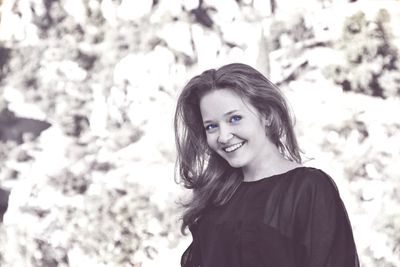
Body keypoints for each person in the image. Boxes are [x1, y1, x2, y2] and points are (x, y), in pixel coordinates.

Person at [173, 63, 360, 267]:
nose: (223, 136)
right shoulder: (216, 196)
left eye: (235, 119)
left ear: (267, 115)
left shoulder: (309, 188)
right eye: (211, 126)